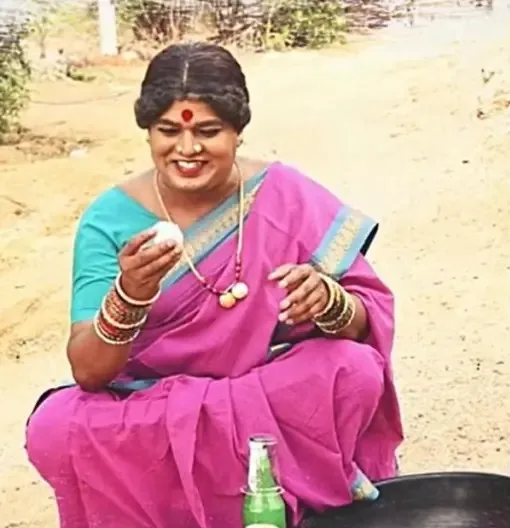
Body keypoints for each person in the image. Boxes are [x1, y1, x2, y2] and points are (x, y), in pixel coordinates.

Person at [25, 42, 404, 528]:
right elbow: (89, 371)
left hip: (262, 389)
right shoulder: (110, 219)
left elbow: (366, 321)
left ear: (238, 131)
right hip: (149, 405)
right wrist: (130, 295)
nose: (187, 150)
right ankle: (287, 482)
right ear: (147, 131)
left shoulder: (282, 192)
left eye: (208, 131)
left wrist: (329, 302)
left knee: (354, 370)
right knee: (55, 427)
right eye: (168, 131)